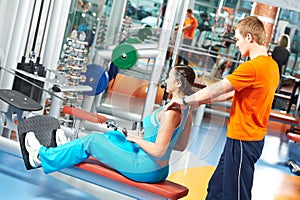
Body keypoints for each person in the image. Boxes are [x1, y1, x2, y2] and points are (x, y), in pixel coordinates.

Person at [165, 16, 279, 199]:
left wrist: (185, 101)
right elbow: (232, 94)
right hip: (239, 138)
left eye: (237, 39)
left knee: (236, 195)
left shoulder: (253, 67)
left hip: (244, 139)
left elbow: (219, 88)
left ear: (249, 37)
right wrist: (195, 103)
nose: (237, 44)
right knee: (216, 189)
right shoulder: (271, 65)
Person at [24, 65, 195, 183]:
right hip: (158, 169)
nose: (166, 80)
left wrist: (136, 140)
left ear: (178, 83)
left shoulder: (172, 111)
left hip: (145, 168)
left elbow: (159, 151)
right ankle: (65, 149)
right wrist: (139, 136)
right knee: (114, 136)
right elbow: (179, 145)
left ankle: (40, 157)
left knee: (92, 141)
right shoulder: (186, 110)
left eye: (169, 77)